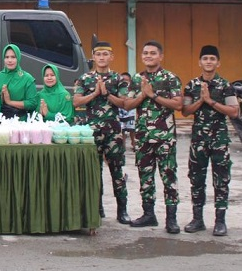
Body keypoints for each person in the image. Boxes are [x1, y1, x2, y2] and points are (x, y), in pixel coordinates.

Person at [123, 40, 183, 233]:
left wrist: (153, 95)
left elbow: (178, 105)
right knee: (145, 176)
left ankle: (171, 219)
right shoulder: (136, 79)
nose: (148, 56)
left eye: (153, 53)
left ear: (160, 56)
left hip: (164, 137)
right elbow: (127, 104)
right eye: (145, 53)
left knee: (169, 177)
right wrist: (143, 95)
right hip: (142, 137)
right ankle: (149, 215)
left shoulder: (170, 78)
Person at [181, 45, 238, 236]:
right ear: (200, 62)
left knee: (221, 180)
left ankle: (220, 221)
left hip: (219, 139)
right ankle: (197, 219)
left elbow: (234, 111)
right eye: (205, 58)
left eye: (212, 59)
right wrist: (201, 100)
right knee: (196, 179)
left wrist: (211, 101)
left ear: (218, 63)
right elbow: (185, 111)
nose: (208, 62)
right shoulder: (191, 85)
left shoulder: (226, 85)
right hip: (198, 140)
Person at [73, 41, 130, 223]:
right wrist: (95, 93)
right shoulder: (85, 78)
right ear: (94, 57)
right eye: (98, 55)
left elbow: (124, 103)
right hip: (92, 131)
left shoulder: (118, 79)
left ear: (111, 57)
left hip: (113, 131)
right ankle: (97, 208)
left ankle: (122, 210)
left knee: (117, 171)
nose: (102, 58)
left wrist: (107, 95)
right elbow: (77, 101)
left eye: (105, 54)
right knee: (94, 171)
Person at [0, 44, 37, 119]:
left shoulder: (27, 78)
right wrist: (0, 99)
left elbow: (32, 103)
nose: (10, 60)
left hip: (19, 122)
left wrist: (10, 102)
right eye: (7, 57)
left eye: (13, 57)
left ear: (18, 58)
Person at [118, 73, 137, 150]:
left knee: (132, 129)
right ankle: (123, 144)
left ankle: (134, 143)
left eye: (127, 80)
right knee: (122, 128)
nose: (125, 82)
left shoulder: (133, 88)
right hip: (121, 110)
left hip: (131, 110)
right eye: (123, 80)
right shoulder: (119, 88)